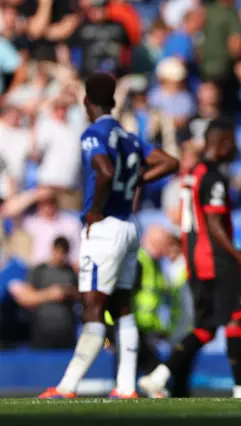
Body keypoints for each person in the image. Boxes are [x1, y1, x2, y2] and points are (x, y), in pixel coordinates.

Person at [39, 73, 180, 399]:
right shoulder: (129, 136)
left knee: (92, 307)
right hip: (131, 226)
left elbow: (102, 170)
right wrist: (134, 183)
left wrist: (94, 211)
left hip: (105, 228)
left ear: (88, 101)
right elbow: (170, 162)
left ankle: (66, 387)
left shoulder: (94, 133)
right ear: (113, 102)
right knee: (122, 306)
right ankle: (127, 387)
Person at [138, 118, 241, 399]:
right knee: (235, 319)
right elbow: (213, 223)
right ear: (221, 142)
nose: (235, 147)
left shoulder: (193, 174)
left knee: (205, 327)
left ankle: (158, 376)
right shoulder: (213, 176)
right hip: (216, 259)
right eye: (232, 141)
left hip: (195, 260)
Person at [9, 236, 78, 349]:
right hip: (42, 329)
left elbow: (81, 296)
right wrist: (50, 294)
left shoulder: (70, 271)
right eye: (58, 252)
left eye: (64, 253)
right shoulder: (39, 270)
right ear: (52, 250)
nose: (60, 257)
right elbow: (26, 298)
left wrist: (68, 292)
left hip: (66, 330)